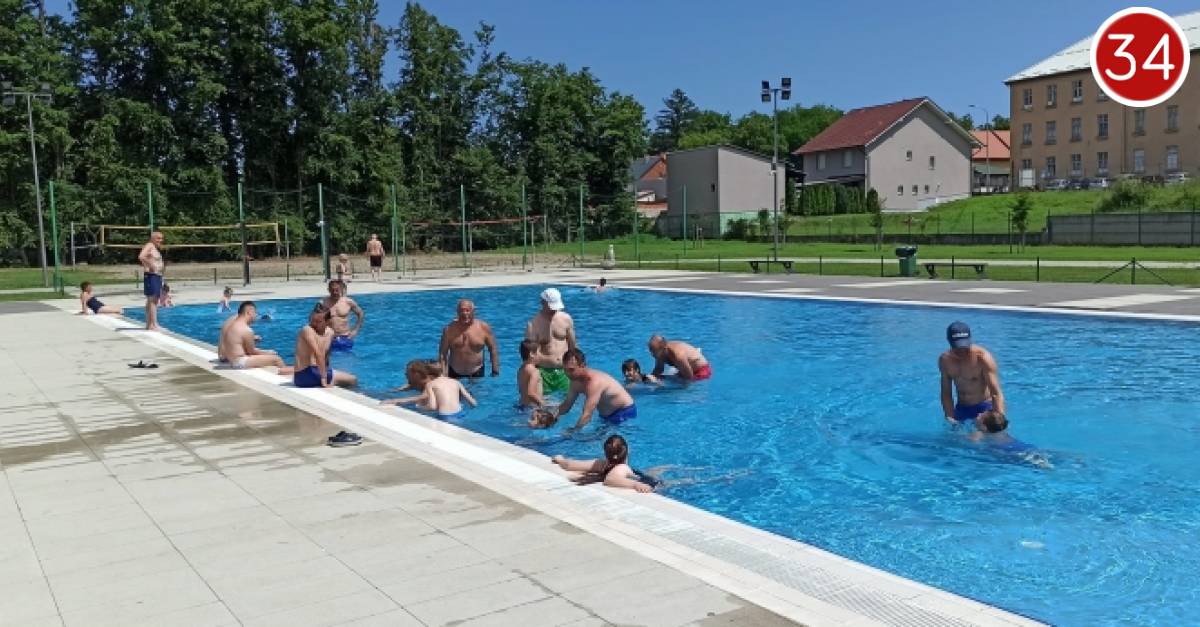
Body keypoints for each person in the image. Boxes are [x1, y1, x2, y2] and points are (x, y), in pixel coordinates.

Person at [544, 349, 636, 431]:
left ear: (583, 365)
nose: (567, 374)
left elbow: (587, 415)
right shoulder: (575, 381)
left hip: (624, 413)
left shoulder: (594, 382)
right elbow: (567, 404)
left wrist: (574, 431)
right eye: (565, 370)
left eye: (571, 370)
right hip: (606, 417)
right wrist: (552, 418)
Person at [939, 321, 1006, 427]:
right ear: (949, 342)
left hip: (984, 407)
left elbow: (996, 393)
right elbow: (946, 393)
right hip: (962, 408)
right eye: (958, 347)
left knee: (980, 436)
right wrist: (950, 417)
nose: (962, 351)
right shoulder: (945, 361)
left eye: (965, 346)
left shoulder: (982, 358)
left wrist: (999, 420)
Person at [551, 435, 656, 493]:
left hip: (636, 476)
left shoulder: (602, 464)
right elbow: (610, 479)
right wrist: (636, 484)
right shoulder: (622, 467)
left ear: (606, 453)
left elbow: (570, 465)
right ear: (627, 452)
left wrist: (561, 460)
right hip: (645, 482)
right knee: (656, 476)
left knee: (654, 471)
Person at [382, 360, 477, 420]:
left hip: (444, 415)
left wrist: (415, 407)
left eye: (407, 373)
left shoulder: (430, 384)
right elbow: (473, 403)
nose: (405, 375)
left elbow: (431, 405)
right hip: (460, 412)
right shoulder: (455, 382)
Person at [524, 288, 577, 395]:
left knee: (570, 400)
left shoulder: (566, 319)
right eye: (551, 306)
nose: (554, 310)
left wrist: (577, 366)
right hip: (544, 372)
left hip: (564, 370)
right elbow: (529, 355)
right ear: (543, 302)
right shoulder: (533, 324)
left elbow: (573, 346)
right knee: (545, 403)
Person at [217, 301, 293, 372]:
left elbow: (238, 343)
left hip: (232, 360)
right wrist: (268, 352)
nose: (256, 315)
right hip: (239, 362)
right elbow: (252, 352)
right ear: (249, 312)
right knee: (277, 359)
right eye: (255, 312)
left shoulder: (233, 325)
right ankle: (285, 372)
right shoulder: (246, 330)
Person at [293, 305, 357, 388]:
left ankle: (332, 380)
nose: (314, 324)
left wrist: (327, 372)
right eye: (312, 320)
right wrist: (324, 378)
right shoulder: (307, 330)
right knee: (352, 379)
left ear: (327, 322)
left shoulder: (330, 333)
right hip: (304, 375)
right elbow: (318, 354)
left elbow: (326, 357)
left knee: (340, 378)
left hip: (313, 373)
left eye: (318, 321)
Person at [438, 299, 500, 379]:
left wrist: (495, 370)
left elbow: (493, 349)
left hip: (477, 372)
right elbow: (442, 354)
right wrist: (443, 375)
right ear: (457, 312)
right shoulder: (449, 330)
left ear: (473, 312)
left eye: (467, 310)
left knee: (478, 387)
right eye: (461, 310)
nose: (464, 313)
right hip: (454, 372)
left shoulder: (483, 328)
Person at [321, 279, 364, 351]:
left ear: (341, 289)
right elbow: (313, 319)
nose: (334, 292)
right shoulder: (323, 303)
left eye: (337, 290)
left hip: (345, 337)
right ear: (328, 290)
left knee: (347, 357)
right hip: (329, 338)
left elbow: (360, 313)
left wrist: (356, 330)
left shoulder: (348, 302)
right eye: (332, 290)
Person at [138, 231, 165, 330]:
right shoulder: (149, 245)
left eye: (161, 238)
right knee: (153, 300)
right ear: (152, 238)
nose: (160, 240)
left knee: (151, 300)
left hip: (156, 275)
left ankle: (149, 324)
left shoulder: (154, 248)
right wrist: (151, 265)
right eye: (158, 238)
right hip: (151, 275)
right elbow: (141, 256)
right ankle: (154, 324)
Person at [517, 339, 545, 409]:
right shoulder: (534, 371)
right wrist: (542, 404)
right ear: (531, 354)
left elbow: (521, 390)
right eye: (539, 352)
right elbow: (530, 393)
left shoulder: (521, 369)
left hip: (522, 405)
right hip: (532, 407)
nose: (541, 355)